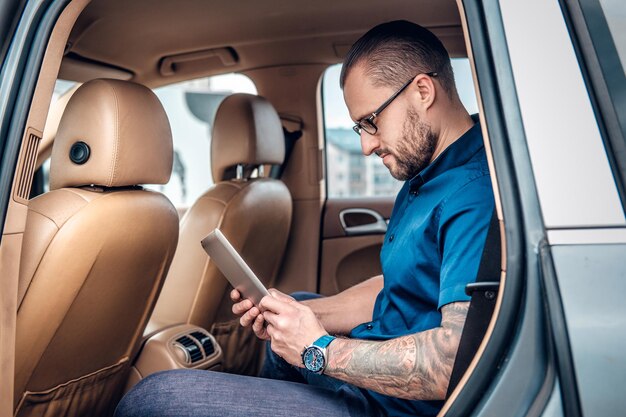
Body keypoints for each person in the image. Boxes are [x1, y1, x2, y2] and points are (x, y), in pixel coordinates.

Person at [115, 20, 495, 417]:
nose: (365, 145)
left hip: (392, 407)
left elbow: (452, 363)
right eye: (358, 127)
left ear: (422, 91)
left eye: (371, 121)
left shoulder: (472, 194)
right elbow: (405, 285)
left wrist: (317, 349)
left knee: (153, 399)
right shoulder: (426, 171)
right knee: (293, 312)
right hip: (376, 379)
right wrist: (303, 318)